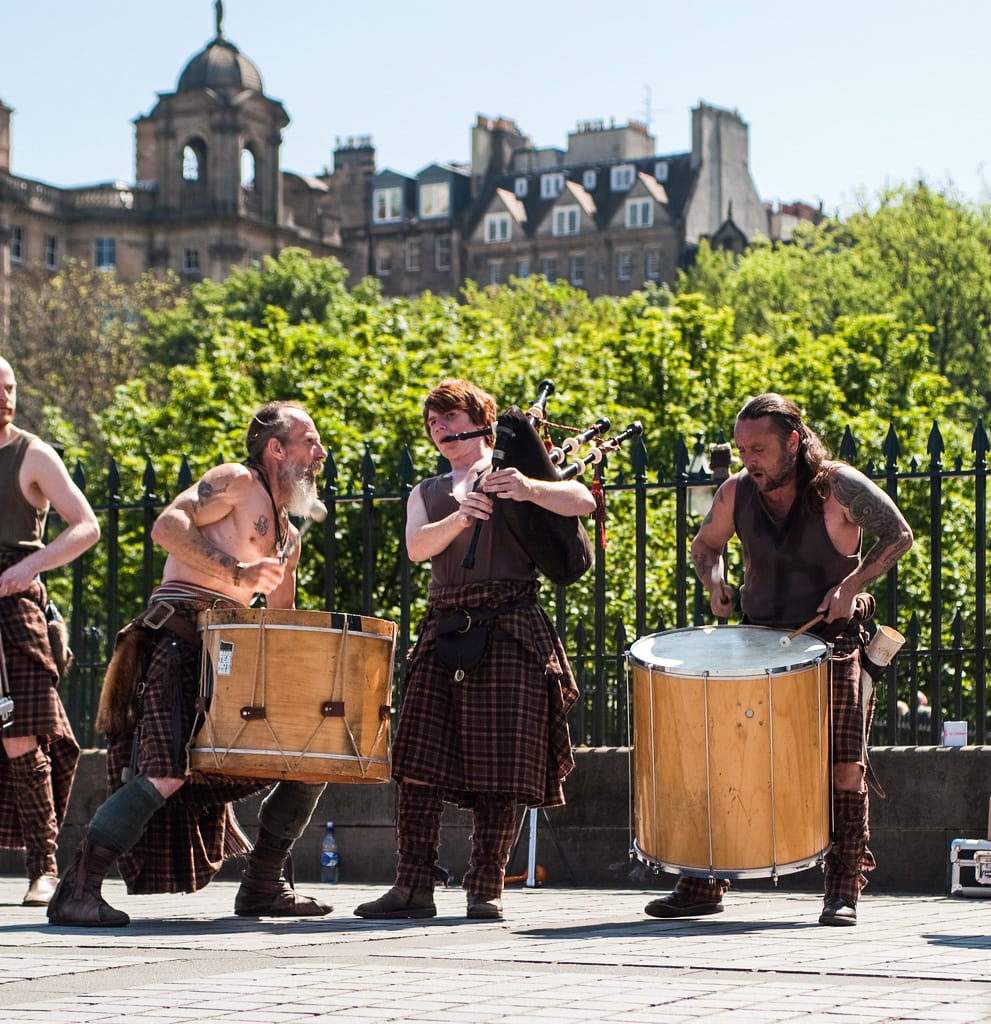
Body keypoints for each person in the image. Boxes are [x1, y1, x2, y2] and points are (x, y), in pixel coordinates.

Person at [48, 401, 333, 927]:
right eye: (309, 442)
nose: (319, 453)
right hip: (178, 638)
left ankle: (264, 887)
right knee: (164, 774)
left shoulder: (288, 534)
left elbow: (283, 616)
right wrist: (237, 570)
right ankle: (76, 889)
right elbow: (166, 526)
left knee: (310, 757)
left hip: (231, 658)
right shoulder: (234, 482)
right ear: (276, 448)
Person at [644, 393, 913, 927]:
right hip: (756, 646)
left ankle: (842, 889)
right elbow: (705, 547)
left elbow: (899, 534)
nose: (750, 459)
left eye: (760, 448)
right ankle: (703, 882)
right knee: (724, 761)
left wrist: (851, 585)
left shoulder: (837, 485)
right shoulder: (735, 491)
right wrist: (715, 583)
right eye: (743, 449)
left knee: (844, 768)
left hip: (833, 645)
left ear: (793, 440)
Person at [354, 379, 595, 921]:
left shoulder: (518, 468)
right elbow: (418, 548)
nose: (440, 429)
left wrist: (530, 489)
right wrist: (463, 514)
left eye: (450, 417)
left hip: (511, 622)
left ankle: (485, 887)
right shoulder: (428, 492)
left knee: (503, 767)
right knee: (417, 762)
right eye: (433, 422)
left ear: (481, 420)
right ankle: (412, 886)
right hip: (445, 626)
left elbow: (581, 501)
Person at [0, 357, 101, 907]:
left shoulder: (32, 454)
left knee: (20, 734)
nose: (5, 397)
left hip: (13, 606)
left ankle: (44, 868)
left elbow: (86, 525)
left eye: (10, 388)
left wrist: (29, 567)